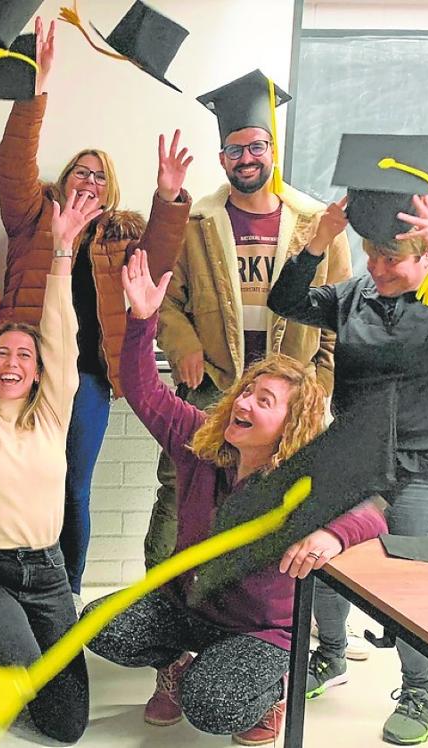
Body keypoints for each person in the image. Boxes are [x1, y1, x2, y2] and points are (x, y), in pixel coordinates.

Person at [268, 133, 428, 745]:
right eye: (369, 254)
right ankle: (329, 653)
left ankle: (420, 691)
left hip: (421, 467)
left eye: (391, 259)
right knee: (326, 563)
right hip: (350, 457)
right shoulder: (354, 296)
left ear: (423, 255)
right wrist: (317, 243)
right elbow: (286, 301)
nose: (376, 268)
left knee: (405, 579)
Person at [85, 248, 387, 746]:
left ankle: (273, 689)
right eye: (245, 392)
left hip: (261, 632)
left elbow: (373, 510)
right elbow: (144, 392)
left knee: (213, 708)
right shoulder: (203, 440)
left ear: (289, 426)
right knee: (101, 624)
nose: (242, 403)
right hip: (189, 609)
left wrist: (332, 535)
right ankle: (181, 664)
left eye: (262, 401)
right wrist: (142, 321)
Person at [0, 17, 193, 597]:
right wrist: (37, 93)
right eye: (81, 170)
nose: (89, 179)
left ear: (110, 192)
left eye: (100, 176)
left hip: (85, 381)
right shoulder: (32, 218)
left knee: (73, 485)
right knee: (19, 483)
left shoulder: (119, 236)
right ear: (63, 179)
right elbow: (11, 167)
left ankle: (67, 589)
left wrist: (168, 196)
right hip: (23, 374)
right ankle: (11, 589)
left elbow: (155, 261)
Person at [150, 69, 354, 584]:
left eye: (256, 146)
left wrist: (323, 383)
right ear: (222, 158)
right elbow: (165, 301)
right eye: (235, 150)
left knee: (286, 506)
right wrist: (184, 343)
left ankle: (265, 622)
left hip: (290, 396)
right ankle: (165, 609)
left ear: (272, 149)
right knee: (180, 494)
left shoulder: (318, 223)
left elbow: (339, 316)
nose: (247, 159)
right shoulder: (196, 222)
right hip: (215, 385)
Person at [0, 183, 102, 743]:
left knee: (67, 725)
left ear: (37, 372)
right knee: (24, 670)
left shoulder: (52, 413)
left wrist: (62, 253)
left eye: (23, 356)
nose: (11, 361)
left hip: (49, 573)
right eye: (0, 352)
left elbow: (62, 334)